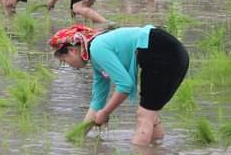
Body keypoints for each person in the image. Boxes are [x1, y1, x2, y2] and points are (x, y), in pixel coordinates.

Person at [50, 24, 189, 145]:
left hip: (159, 49)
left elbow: (125, 85)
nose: (67, 65)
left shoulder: (97, 48)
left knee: (144, 115)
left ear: (73, 50)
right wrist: (78, 136)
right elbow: (97, 102)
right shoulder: (97, 60)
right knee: (150, 114)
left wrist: (105, 113)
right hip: (172, 51)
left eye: (64, 60)